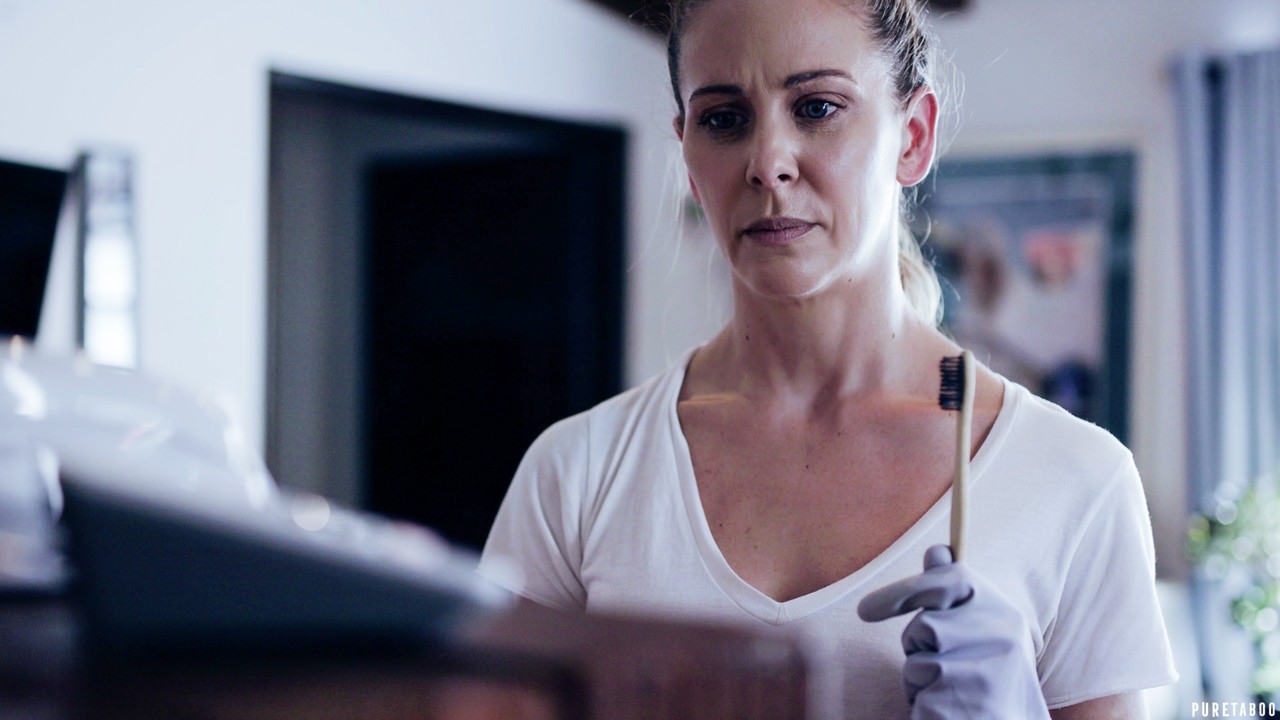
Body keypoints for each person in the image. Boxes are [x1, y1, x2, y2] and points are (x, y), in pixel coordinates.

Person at [479, 0, 1177, 716]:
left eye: (816, 108)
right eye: (724, 119)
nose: (767, 164)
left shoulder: (1077, 482)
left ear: (913, 137)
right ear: (687, 156)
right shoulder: (578, 474)